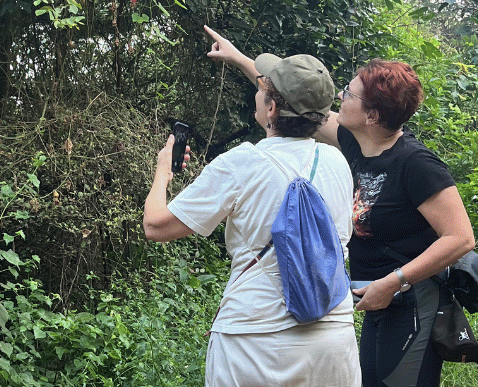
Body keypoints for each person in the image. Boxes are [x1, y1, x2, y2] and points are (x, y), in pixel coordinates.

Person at [206, 29, 478, 387]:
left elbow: (460, 237)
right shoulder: (353, 141)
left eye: (349, 93)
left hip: (413, 302)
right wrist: (238, 57)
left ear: (372, 116)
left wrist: (395, 281)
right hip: (373, 302)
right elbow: (290, 97)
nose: (338, 96)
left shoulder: (416, 164)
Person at [144, 43, 359, 387]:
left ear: (271, 108)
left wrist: (162, 175)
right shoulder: (339, 162)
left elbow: (156, 226)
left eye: (264, 90)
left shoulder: (242, 163)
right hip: (333, 339)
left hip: (255, 342)